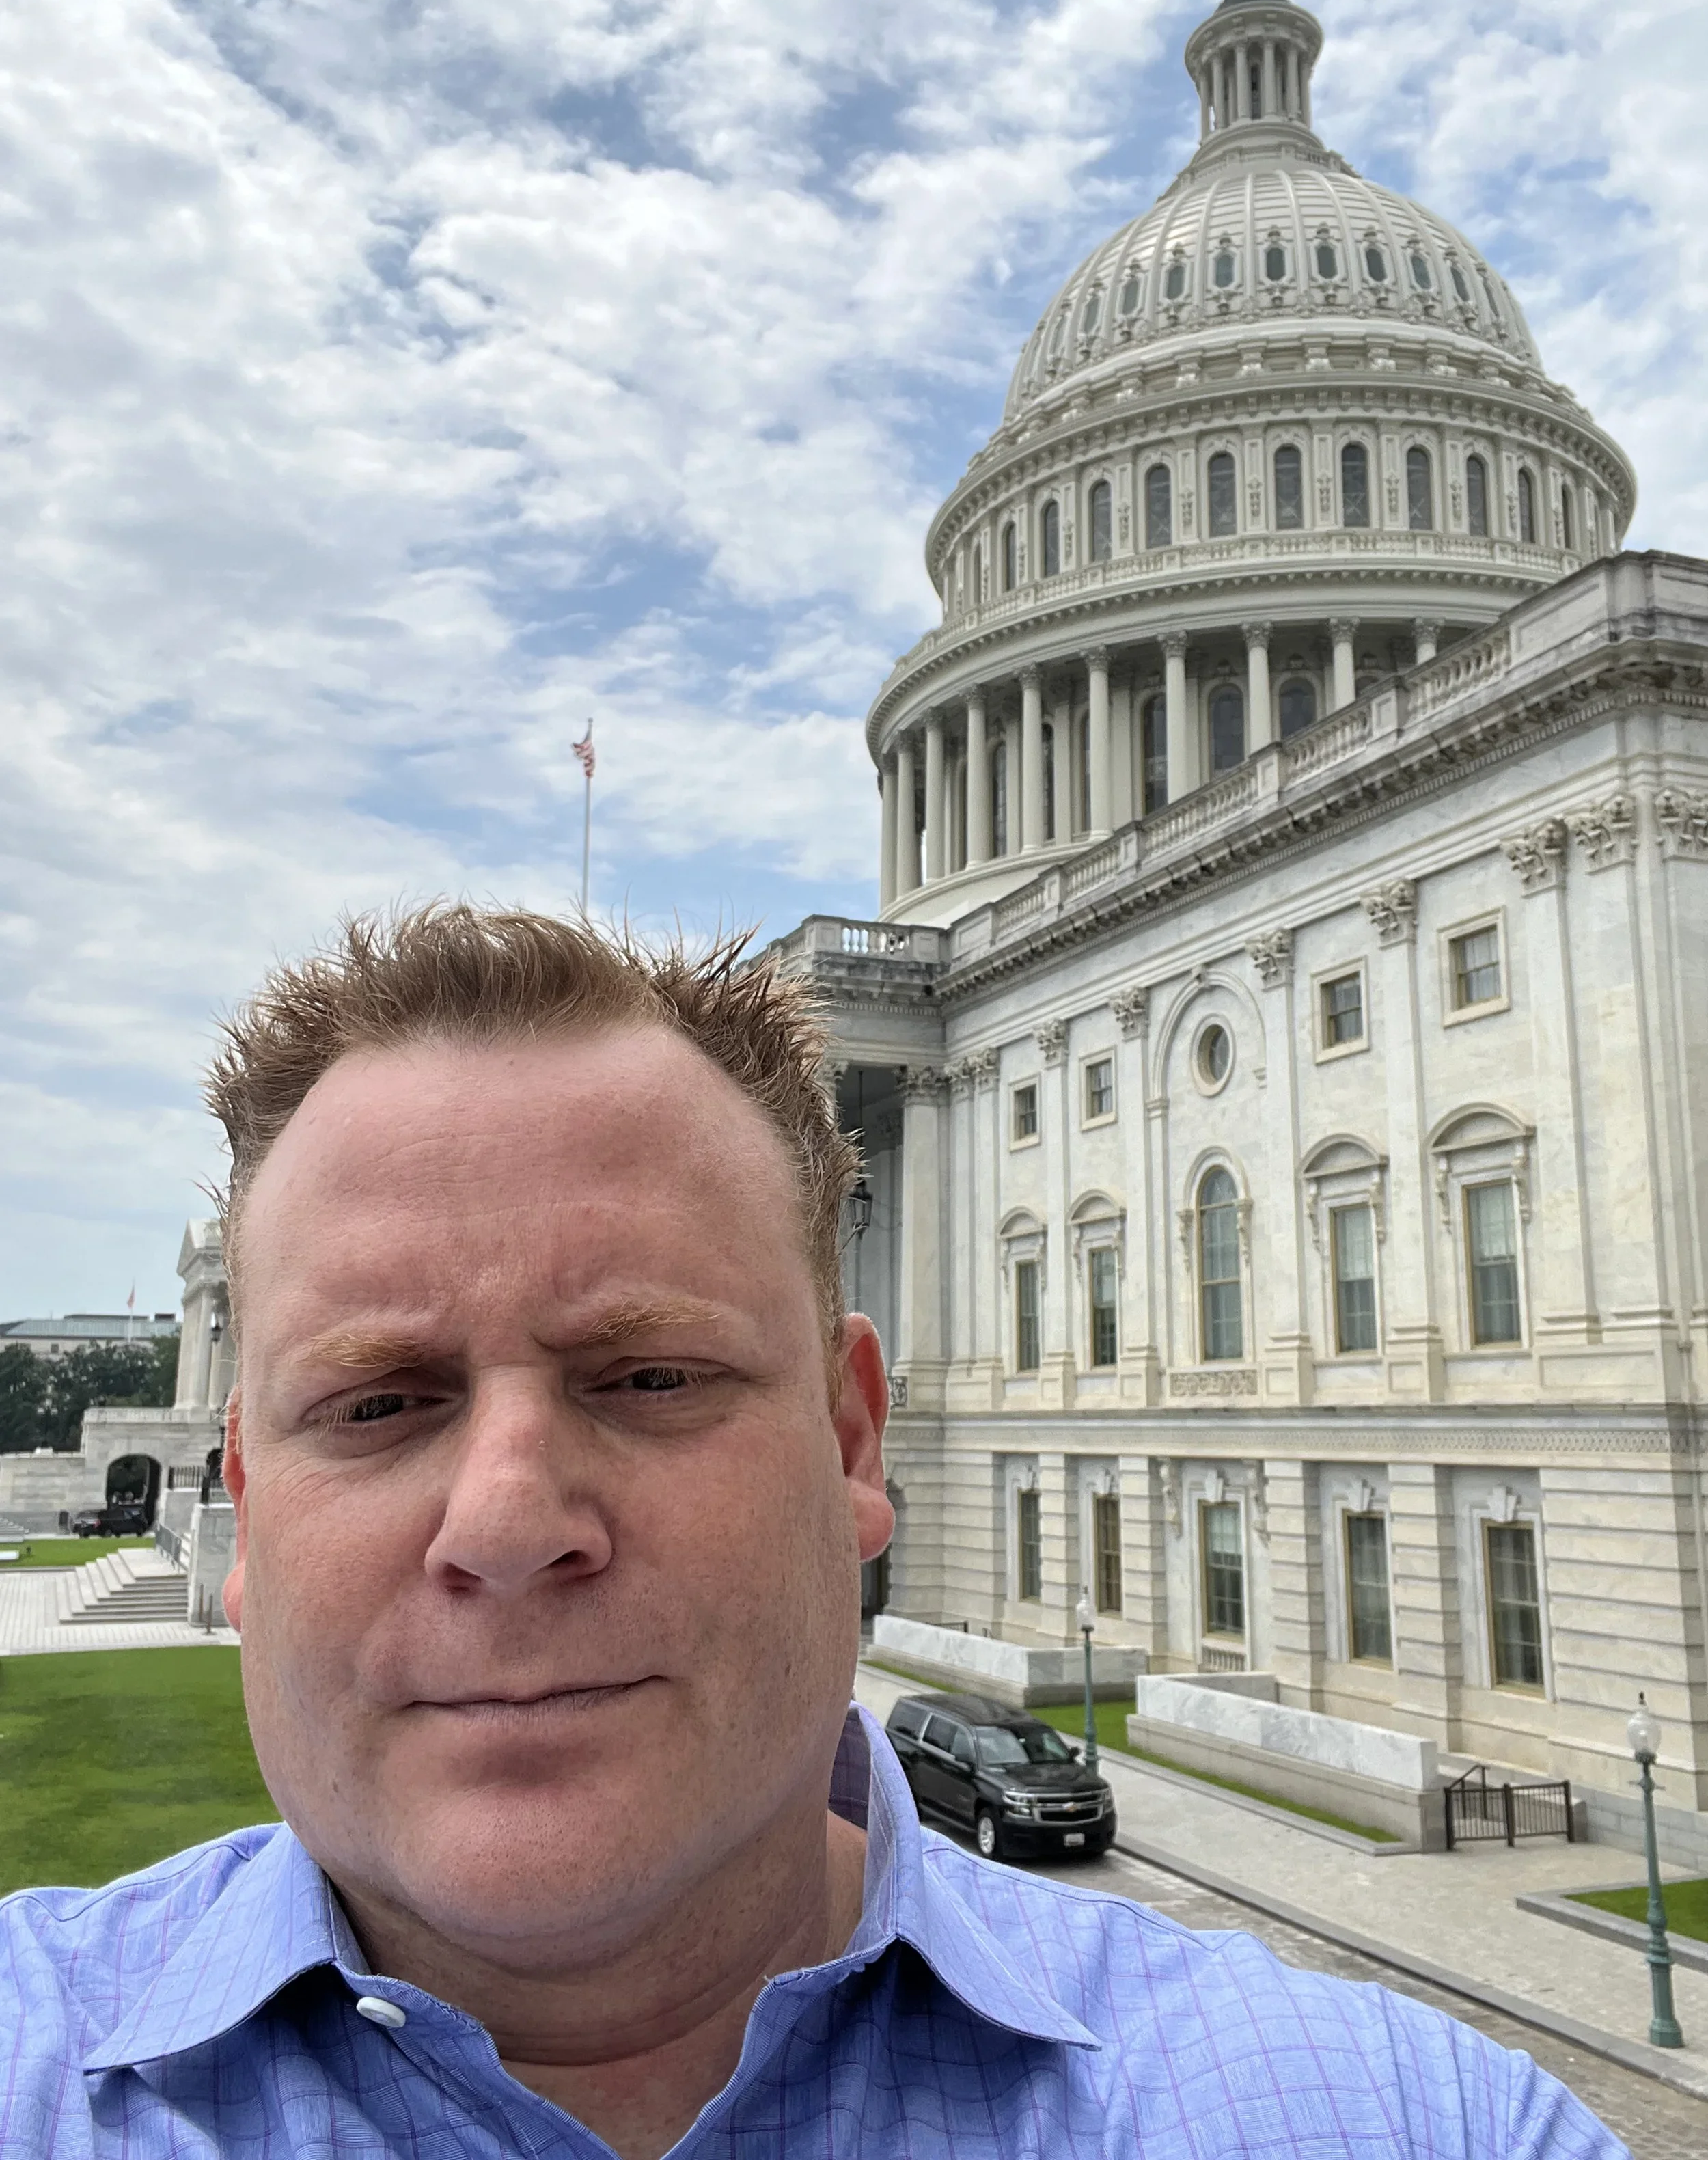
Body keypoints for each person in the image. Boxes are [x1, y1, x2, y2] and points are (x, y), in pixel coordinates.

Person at [1, 906, 1625, 2157]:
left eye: (647, 1373)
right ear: (247, 1489)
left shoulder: (1400, 2121)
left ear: (852, 1436)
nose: (504, 1522)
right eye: (375, 1403)